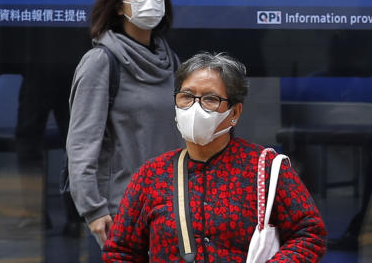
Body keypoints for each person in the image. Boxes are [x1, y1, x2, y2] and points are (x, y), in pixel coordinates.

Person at [103, 52, 327, 262]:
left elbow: (310, 234)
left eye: (210, 99)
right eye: (186, 96)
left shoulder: (266, 169)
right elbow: (120, 251)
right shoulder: (152, 175)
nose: (195, 107)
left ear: (235, 113)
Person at [66, 0, 182, 250]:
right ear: (119, 5)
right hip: (121, 214)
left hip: (169, 210)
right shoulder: (101, 62)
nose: (151, 1)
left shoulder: (171, 62)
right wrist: (93, 210)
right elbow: (81, 145)